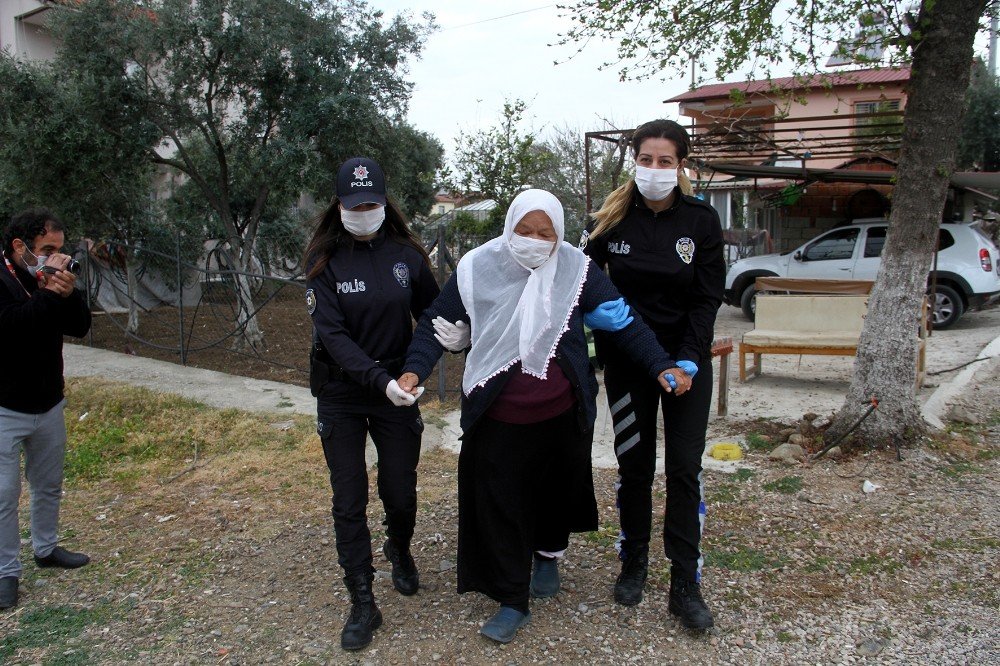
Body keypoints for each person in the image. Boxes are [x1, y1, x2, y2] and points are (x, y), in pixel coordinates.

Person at [398, 189, 682, 644]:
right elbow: (436, 321)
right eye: (523, 232)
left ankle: (548, 553)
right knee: (501, 504)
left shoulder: (576, 268)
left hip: (561, 411)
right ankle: (512, 600)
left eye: (544, 233)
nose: (533, 241)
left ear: (559, 235)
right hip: (497, 414)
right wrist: (415, 370)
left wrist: (661, 364)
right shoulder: (477, 267)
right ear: (509, 227)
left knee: (553, 493)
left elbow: (624, 321)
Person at [581, 119, 725, 629]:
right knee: (635, 465)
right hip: (628, 364)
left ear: (681, 165)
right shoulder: (609, 221)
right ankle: (633, 560)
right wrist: (596, 318)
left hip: (686, 367)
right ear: (634, 162)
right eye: (647, 160)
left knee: (685, 469)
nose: (656, 170)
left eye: (666, 161)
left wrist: (687, 360)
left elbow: (708, 299)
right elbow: (580, 281)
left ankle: (686, 582)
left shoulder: (702, 222)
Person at [304, 157, 440, 651]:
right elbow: (334, 337)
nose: (364, 211)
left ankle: (399, 548)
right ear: (339, 205)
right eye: (354, 204)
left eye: (372, 203)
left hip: (397, 390)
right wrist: (379, 380)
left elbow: (434, 311)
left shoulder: (406, 254)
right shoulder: (323, 260)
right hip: (342, 390)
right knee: (349, 497)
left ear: (385, 203)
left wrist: (424, 360)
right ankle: (362, 599)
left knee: (399, 489)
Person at [0, 208, 92, 610]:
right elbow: (14, 327)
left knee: (48, 483)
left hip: (48, 401)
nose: (55, 257)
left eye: (59, 249)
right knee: (3, 495)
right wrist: (50, 293)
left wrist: (69, 294)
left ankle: (46, 547)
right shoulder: (3, 280)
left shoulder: (47, 283)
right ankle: (5, 572)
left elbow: (80, 326)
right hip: (4, 406)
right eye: (46, 249)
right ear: (20, 247)